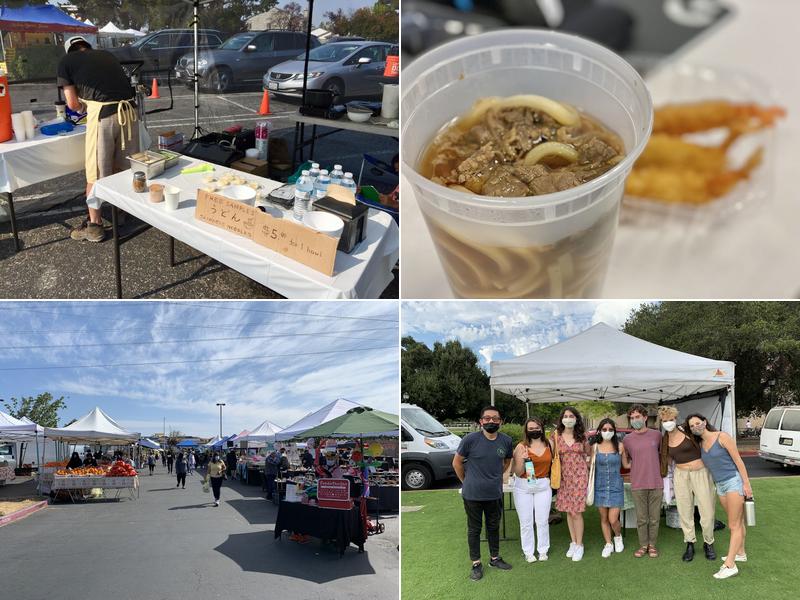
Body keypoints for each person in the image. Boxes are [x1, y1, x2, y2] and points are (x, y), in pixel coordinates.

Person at [57, 36, 140, 242]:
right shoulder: (106, 55)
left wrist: (84, 108)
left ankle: (94, 226)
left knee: (95, 172)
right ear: (88, 47)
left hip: (103, 115)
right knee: (124, 166)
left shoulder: (66, 62)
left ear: (70, 51)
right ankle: (121, 212)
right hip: (129, 113)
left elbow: (73, 104)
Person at [452, 406, 513, 581]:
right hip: (473, 495)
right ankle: (476, 564)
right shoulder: (470, 440)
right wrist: (467, 481)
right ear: (481, 421)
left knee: (494, 527)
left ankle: (495, 558)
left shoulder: (506, 441)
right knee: (474, 529)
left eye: (495, 418)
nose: (491, 421)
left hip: (494, 493)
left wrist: (495, 477)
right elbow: (456, 463)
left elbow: (507, 461)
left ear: (501, 421)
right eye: (487, 418)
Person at [689, 413, 752, 580]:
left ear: (705, 421)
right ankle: (740, 553)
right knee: (736, 521)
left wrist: (746, 485)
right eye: (692, 426)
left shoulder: (722, 436)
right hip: (720, 486)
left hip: (734, 482)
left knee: (734, 525)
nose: (696, 427)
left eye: (697, 423)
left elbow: (738, 461)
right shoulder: (701, 444)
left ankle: (730, 565)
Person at [659, 406, 717, 562]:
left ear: (675, 419)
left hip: (701, 473)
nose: (668, 423)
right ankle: (689, 542)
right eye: (665, 421)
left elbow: (708, 437)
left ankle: (708, 542)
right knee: (685, 510)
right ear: (661, 422)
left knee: (707, 510)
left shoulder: (688, 430)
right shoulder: (664, 439)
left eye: (671, 420)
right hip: (681, 475)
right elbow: (667, 460)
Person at [621, 404, 663, 558]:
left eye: (637, 417)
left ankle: (652, 545)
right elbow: (627, 462)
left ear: (645, 417)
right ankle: (643, 545)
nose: (635, 420)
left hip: (656, 482)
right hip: (638, 483)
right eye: (632, 418)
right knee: (641, 518)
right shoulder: (627, 439)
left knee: (654, 518)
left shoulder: (657, 435)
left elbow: (663, 456)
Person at [511, 417, 553, 563]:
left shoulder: (550, 444)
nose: (535, 430)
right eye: (531, 428)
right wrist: (522, 460)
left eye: (537, 427)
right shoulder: (521, 447)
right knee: (526, 522)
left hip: (543, 486)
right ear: (526, 431)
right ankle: (528, 551)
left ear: (542, 427)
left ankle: (543, 550)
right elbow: (517, 471)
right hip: (523, 486)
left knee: (542, 521)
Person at [553, 406, 590, 562]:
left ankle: (580, 544)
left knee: (576, 512)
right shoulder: (556, 436)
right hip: (564, 478)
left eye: (571, 416)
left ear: (576, 419)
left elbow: (589, 455)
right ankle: (573, 542)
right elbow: (553, 456)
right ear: (562, 419)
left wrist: (586, 470)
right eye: (566, 416)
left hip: (579, 477)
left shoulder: (582, 437)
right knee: (568, 511)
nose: (568, 418)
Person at [591, 418, 625, 558]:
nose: (607, 432)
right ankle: (608, 543)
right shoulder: (595, 446)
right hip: (600, 487)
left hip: (616, 486)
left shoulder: (620, 446)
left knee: (613, 519)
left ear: (614, 431)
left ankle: (618, 536)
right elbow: (590, 466)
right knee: (604, 518)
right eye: (604, 429)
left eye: (610, 429)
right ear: (600, 430)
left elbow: (627, 465)